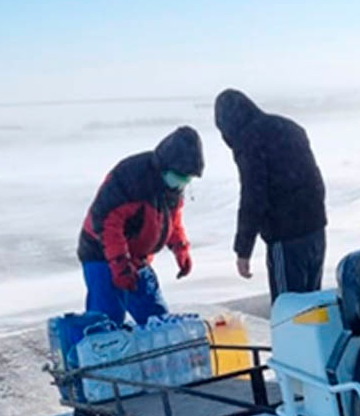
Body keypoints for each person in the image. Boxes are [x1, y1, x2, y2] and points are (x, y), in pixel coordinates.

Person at [77, 126, 204, 325]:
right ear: (166, 166)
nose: (182, 184)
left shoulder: (172, 187)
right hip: (101, 252)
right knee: (106, 321)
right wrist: (120, 266)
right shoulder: (131, 178)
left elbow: (172, 221)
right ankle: (106, 354)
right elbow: (109, 225)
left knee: (157, 320)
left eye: (187, 180)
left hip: (137, 258)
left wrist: (181, 249)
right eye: (180, 177)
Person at [214, 89, 327, 302]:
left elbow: (253, 197)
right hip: (316, 230)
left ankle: (293, 336)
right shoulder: (289, 127)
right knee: (312, 309)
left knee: (289, 311)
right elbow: (315, 180)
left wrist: (243, 250)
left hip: (287, 236)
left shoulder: (249, 140)